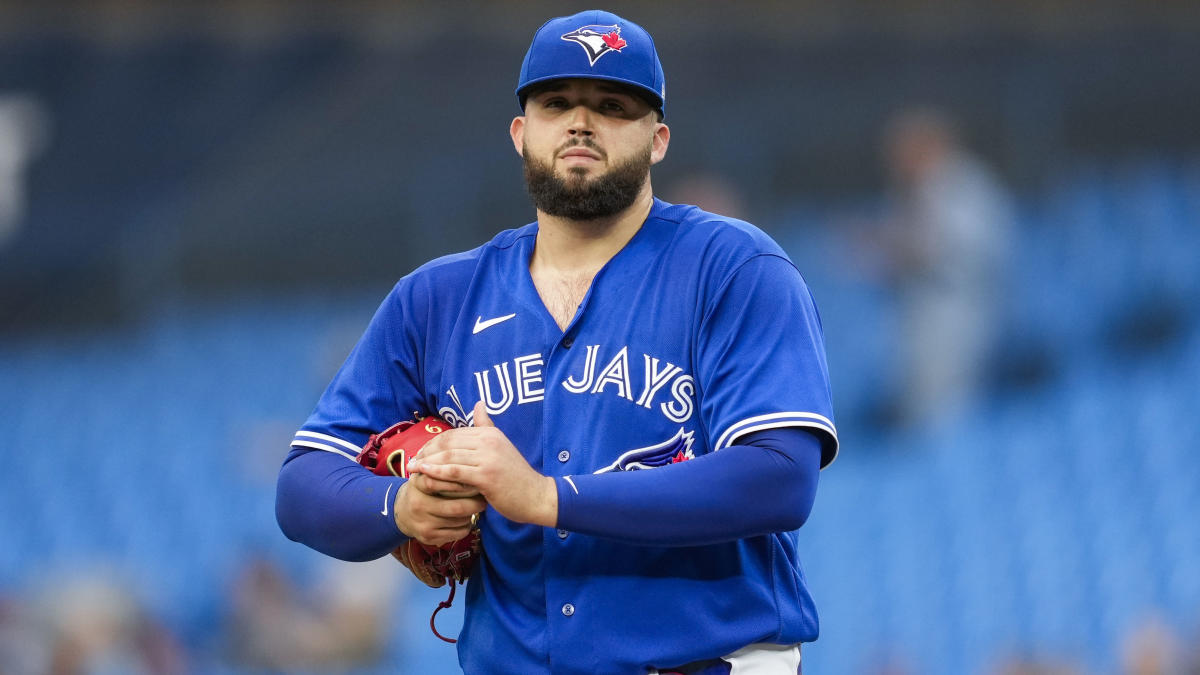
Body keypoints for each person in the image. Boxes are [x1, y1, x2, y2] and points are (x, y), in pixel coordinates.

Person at [276, 10, 838, 674]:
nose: (581, 121)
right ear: (521, 133)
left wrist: (544, 495)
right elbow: (303, 483)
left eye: (611, 105)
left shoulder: (733, 268)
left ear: (658, 139)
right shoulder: (437, 298)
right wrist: (402, 505)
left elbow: (779, 478)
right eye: (556, 102)